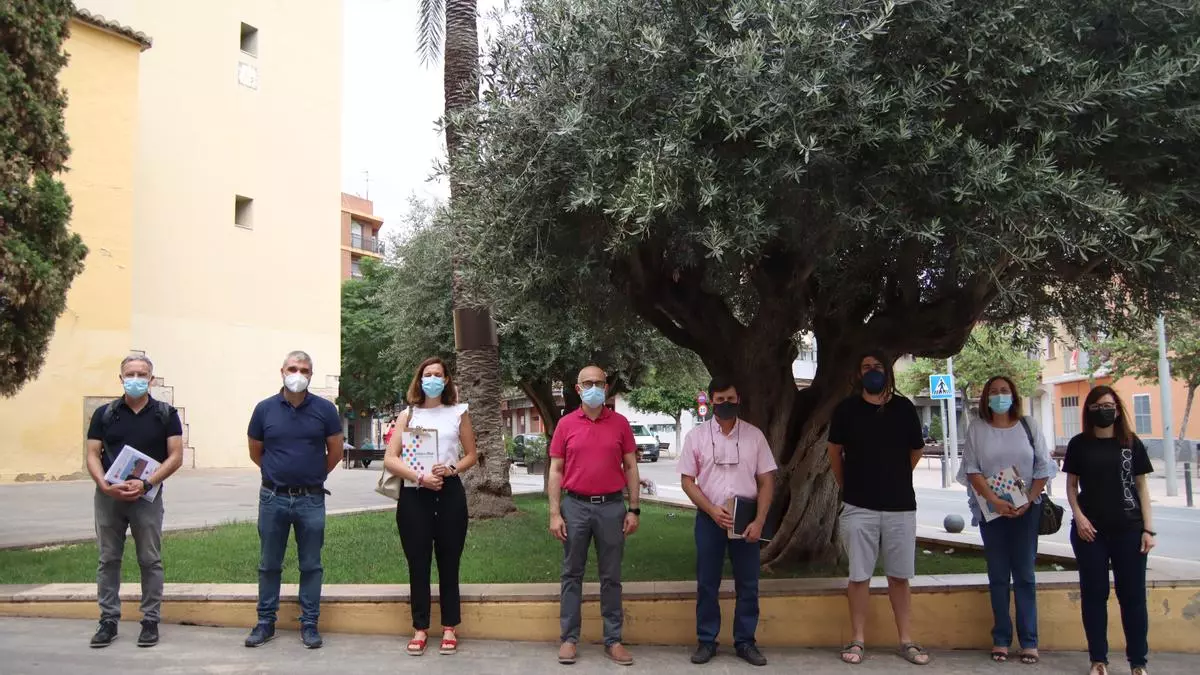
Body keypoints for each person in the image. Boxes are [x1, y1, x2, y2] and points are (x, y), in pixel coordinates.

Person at [827, 352, 930, 666]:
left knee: (899, 577)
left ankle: (906, 640)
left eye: (878, 366)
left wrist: (895, 476)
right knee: (859, 576)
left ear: (888, 371)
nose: (872, 371)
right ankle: (857, 639)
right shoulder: (846, 410)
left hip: (900, 507)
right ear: (858, 373)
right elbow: (834, 452)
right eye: (866, 367)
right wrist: (848, 486)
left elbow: (916, 451)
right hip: (859, 506)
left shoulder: (904, 408)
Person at [244, 350, 344, 649]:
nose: (297, 374)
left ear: (311, 375)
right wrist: (277, 473)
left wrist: (313, 474)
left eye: (304, 370)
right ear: (282, 371)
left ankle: (309, 623)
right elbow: (255, 450)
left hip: (311, 500)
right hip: (272, 498)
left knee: (311, 565)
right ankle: (265, 623)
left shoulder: (325, 410)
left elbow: (335, 451)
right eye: (292, 369)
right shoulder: (264, 409)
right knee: (269, 564)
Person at [85, 354, 184, 648]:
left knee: (150, 559)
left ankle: (150, 620)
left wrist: (146, 483)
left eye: (142, 374)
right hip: (109, 497)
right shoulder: (104, 414)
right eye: (130, 374)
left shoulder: (166, 414)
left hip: (147, 497)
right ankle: (108, 620)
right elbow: (92, 454)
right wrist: (104, 485)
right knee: (108, 559)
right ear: (121, 378)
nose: (136, 379)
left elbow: (176, 456)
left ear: (151, 379)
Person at [679, 376, 776, 667]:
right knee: (707, 583)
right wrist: (711, 510)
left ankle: (745, 642)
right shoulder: (696, 437)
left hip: (745, 521)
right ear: (711, 401)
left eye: (730, 399)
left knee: (748, 584)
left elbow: (767, 481)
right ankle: (706, 641)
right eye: (720, 399)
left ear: (738, 399)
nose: (725, 404)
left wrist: (759, 520)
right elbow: (687, 481)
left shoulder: (754, 436)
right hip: (710, 519)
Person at [957, 375, 1055, 664]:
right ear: (986, 398)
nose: (1000, 395)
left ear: (1013, 395)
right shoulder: (977, 428)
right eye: (994, 391)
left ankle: (1029, 641)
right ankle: (1001, 638)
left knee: (1025, 574)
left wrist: (1027, 501)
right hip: (992, 512)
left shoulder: (1029, 425)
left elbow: (1043, 466)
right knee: (998, 576)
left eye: (1004, 390)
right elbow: (972, 469)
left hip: (1027, 510)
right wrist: (995, 501)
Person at [384, 357, 477, 656]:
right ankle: (420, 628)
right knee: (418, 562)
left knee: (449, 561)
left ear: (446, 380)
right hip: (415, 493)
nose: (433, 379)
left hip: (449, 492)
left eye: (438, 374)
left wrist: (451, 469)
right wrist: (419, 477)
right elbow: (390, 458)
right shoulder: (408, 415)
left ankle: (450, 626)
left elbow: (471, 455)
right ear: (420, 379)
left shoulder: (458, 412)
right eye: (428, 374)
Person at [548, 365, 640, 666]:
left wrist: (634, 509)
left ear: (607, 387)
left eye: (599, 383)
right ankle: (569, 638)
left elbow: (631, 467)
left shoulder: (620, 423)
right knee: (571, 574)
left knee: (611, 576)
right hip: (575, 507)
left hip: (612, 507)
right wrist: (554, 513)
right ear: (578, 389)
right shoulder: (566, 425)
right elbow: (556, 470)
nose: (594, 388)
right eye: (588, 383)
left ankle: (613, 640)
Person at [1063, 386, 1155, 675]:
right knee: (1094, 595)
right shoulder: (1079, 444)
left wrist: (1148, 529)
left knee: (1133, 597)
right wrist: (1079, 518)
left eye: (1108, 405)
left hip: (1129, 530)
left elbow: (1141, 487)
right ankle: (1098, 660)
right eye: (1097, 406)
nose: (1103, 410)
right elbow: (1071, 486)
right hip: (1090, 533)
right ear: (1089, 411)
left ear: (1117, 409)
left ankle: (1138, 662)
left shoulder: (1131, 443)